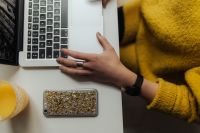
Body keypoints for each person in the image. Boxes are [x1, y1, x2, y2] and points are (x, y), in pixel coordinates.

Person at [57, 0, 200, 122]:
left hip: (152, 64)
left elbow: (191, 105)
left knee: (83, 67)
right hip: (139, 15)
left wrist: (126, 78)